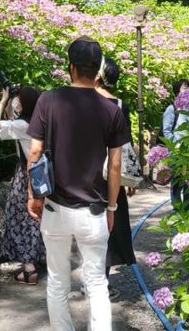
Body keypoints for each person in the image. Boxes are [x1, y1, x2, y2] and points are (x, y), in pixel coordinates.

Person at [27, 37, 131, 331]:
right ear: (97, 69)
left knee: (58, 281)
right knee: (97, 282)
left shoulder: (49, 100)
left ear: (70, 67)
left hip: (55, 208)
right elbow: (114, 166)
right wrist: (112, 207)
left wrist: (33, 195)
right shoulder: (111, 109)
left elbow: (34, 152)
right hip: (94, 212)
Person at [0, 86, 46, 285]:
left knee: (25, 218)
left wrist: (3, 100)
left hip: (28, 176)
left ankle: (29, 269)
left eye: (19, 99)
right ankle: (40, 258)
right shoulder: (41, 122)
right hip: (47, 174)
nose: (16, 102)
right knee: (41, 217)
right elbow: (12, 120)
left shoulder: (24, 125)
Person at [95, 57, 137, 300]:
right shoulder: (120, 104)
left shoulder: (83, 102)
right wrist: (129, 177)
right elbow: (126, 143)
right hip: (111, 172)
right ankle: (102, 280)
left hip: (85, 173)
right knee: (110, 226)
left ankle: (94, 280)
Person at [162, 79, 189, 210]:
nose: (187, 91)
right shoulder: (172, 108)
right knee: (177, 184)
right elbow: (166, 131)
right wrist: (176, 146)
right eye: (183, 88)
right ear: (176, 92)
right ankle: (177, 211)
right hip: (177, 153)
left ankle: (188, 211)